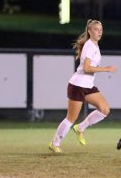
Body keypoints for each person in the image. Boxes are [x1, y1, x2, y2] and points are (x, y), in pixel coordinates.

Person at [49, 19, 117, 153]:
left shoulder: (95, 45)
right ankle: (55, 143)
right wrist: (106, 69)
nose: (99, 32)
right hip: (78, 85)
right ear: (89, 31)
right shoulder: (89, 46)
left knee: (104, 109)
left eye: (100, 30)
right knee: (71, 118)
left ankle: (80, 128)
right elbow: (86, 68)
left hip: (88, 85)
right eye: (96, 30)